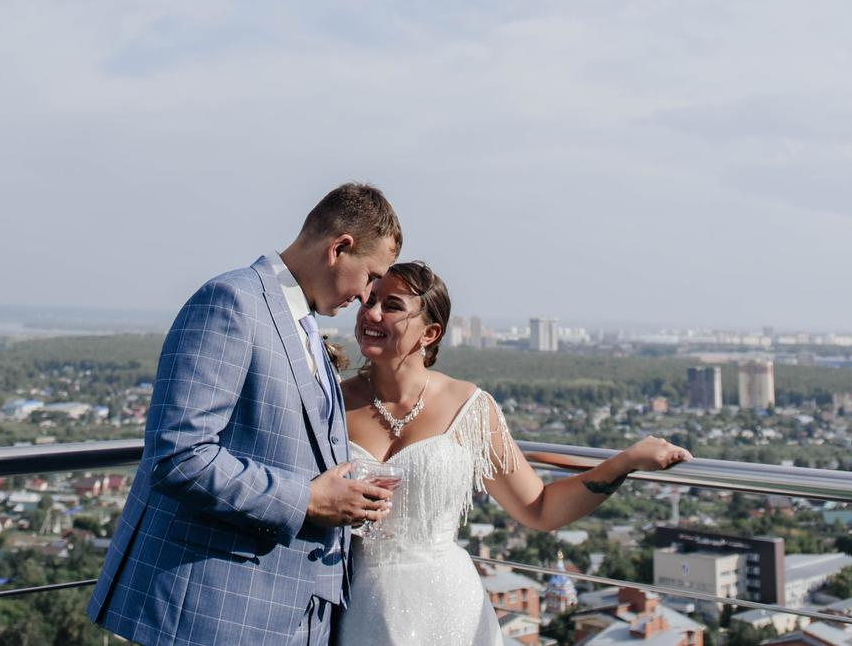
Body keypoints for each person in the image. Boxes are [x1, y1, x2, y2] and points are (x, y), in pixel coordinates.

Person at [89, 183, 405, 646]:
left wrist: (350, 499)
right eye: (372, 276)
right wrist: (307, 501)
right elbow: (179, 456)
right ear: (340, 248)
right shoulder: (231, 302)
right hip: (214, 613)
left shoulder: (306, 326)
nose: (366, 297)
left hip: (294, 617)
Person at [338, 261, 693, 646]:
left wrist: (625, 462)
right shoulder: (331, 402)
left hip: (447, 608)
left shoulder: (470, 408)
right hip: (357, 607)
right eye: (369, 301)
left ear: (430, 332)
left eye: (391, 306)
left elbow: (538, 508)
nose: (371, 314)